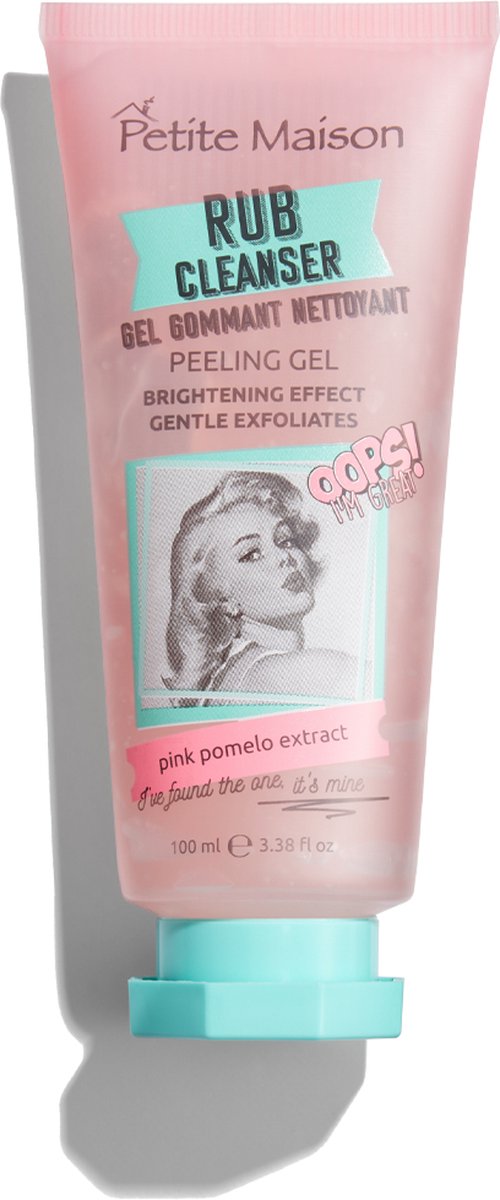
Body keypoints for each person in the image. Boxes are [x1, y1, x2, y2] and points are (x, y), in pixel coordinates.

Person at [163, 469, 356, 704]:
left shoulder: (235, 676)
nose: (283, 557)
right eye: (251, 555)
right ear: (222, 599)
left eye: (285, 540)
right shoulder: (280, 675)